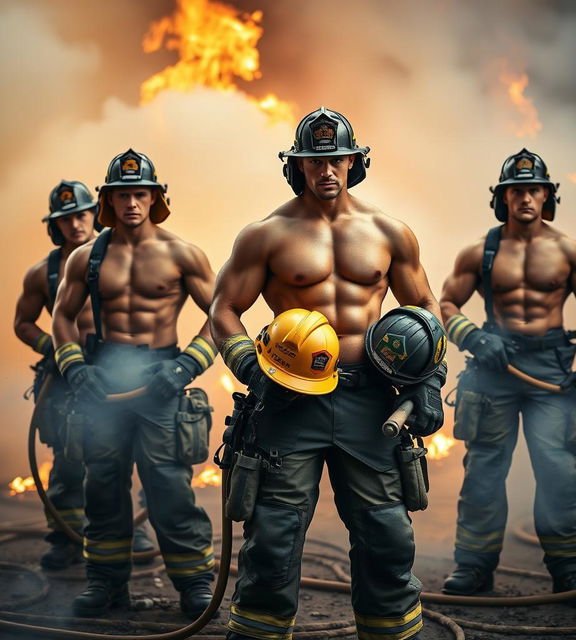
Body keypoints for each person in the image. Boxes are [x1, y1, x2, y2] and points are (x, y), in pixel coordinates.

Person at [210, 107, 446, 640]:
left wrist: (429, 379)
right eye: (313, 160)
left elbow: (426, 306)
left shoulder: (390, 232)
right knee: (273, 533)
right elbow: (223, 309)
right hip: (289, 402)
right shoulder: (265, 235)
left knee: (386, 533)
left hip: (372, 400)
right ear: (296, 166)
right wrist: (249, 364)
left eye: (335, 158)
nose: (326, 170)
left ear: (355, 161)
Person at [440, 148, 576, 609]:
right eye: (516, 191)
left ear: (547, 196)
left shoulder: (570, 251)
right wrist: (475, 339)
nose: (525, 198)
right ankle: (474, 567)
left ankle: (571, 571)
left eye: (534, 190)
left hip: (551, 371)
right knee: (484, 473)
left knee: (558, 472)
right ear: (503, 198)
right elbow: (447, 304)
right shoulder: (479, 252)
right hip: (493, 371)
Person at [52, 149, 218, 618]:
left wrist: (186, 367)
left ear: (155, 198)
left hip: (160, 381)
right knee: (101, 485)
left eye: (139, 194)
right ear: (108, 200)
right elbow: (62, 318)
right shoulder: (86, 258)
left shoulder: (182, 254)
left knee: (169, 486)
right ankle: (105, 585)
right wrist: (74, 368)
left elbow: (221, 317)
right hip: (101, 382)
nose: (131, 203)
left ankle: (194, 584)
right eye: (122, 194)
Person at [14, 180, 99, 569]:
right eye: (66, 218)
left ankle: (132, 532)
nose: (75, 224)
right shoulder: (42, 273)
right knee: (67, 459)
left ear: (94, 214)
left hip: (113, 371)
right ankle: (65, 538)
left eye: (81, 214)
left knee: (128, 453)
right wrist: (51, 347)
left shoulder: (120, 257)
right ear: (55, 225)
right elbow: (23, 323)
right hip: (65, 377)